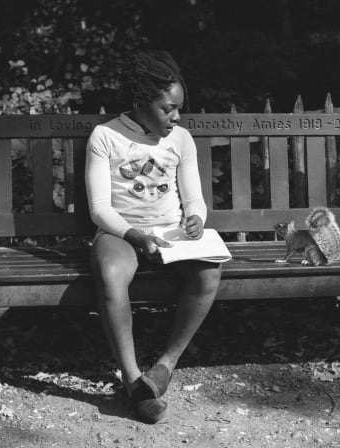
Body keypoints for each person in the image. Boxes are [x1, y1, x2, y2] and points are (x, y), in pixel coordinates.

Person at [85, 50, 222, 424]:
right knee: (111, 275)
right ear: (140, 103)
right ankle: (132, 381)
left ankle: (164, 366)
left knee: (209, 272)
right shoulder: (106, 136)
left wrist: (195, 219)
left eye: (179, 108)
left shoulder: (181, 139)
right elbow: (99, 207)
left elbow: (194, 199)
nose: (176, 116)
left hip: (171, 234)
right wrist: (134, 234)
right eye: (167, 108)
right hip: (121, 232)